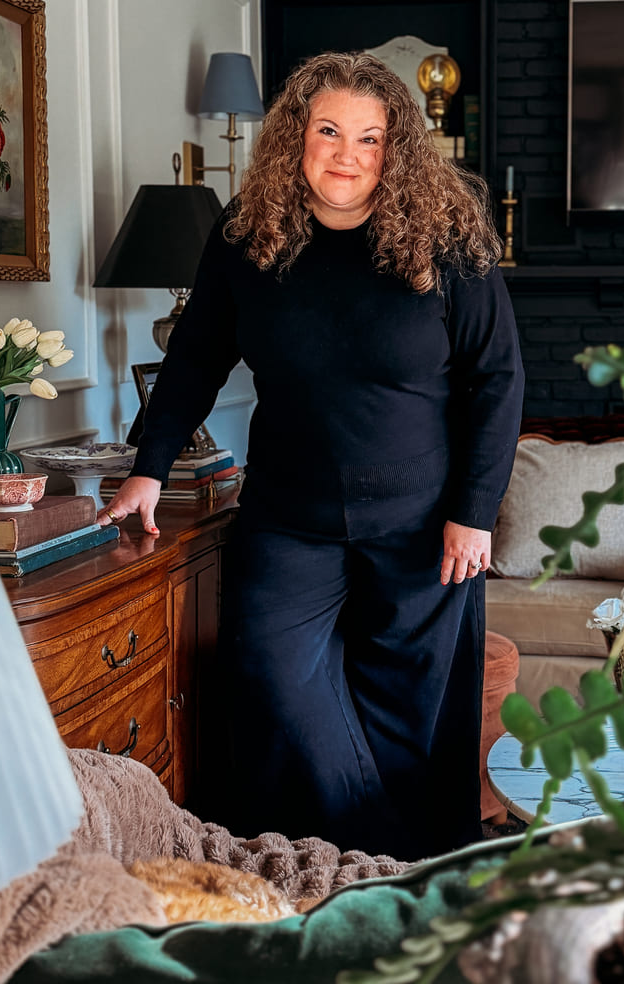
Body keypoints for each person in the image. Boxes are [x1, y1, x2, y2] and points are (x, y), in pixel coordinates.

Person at [98, 51, 524, 862]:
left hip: (424, 524)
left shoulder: (449, 238)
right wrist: (148, 466)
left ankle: (407, 880)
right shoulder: (244, 239)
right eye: (329, 130)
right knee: (276, 680)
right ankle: (348, 864)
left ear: (396, 150)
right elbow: (192, 358)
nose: (347, 154)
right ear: (296, 134)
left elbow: (497, 380)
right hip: (289, 518)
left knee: (410, 709)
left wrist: (474, 514)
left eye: (371, 138)